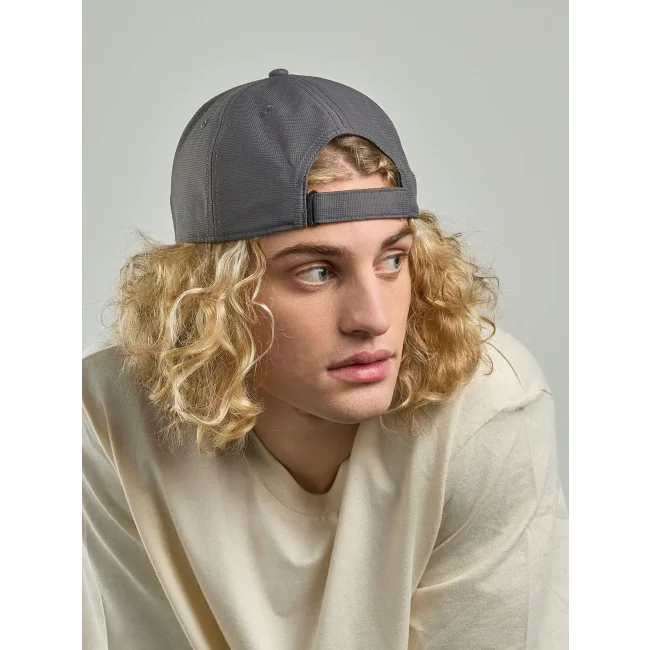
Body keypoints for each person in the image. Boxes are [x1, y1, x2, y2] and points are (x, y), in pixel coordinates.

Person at [82, 69, 569, 650]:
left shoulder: (485, 405)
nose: (373, 317)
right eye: (317, 271)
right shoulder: (105, 414)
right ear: (213, 294)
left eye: (392, 261)